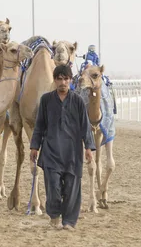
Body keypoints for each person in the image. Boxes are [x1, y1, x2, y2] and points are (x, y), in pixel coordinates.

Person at [29, 64, 95, 231]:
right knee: (53, 188)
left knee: (72, 188)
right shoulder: (46, 100)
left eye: (66, 79)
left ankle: (68, 222)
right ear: (55, 80)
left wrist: (88, 147)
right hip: (51, 151)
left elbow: (85, 126)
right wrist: (34, 146)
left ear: (70, 80)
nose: (62, 82)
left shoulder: (78, 101)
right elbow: (39, 125)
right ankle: (54, 216)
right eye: (59, 79)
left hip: (72, 153)